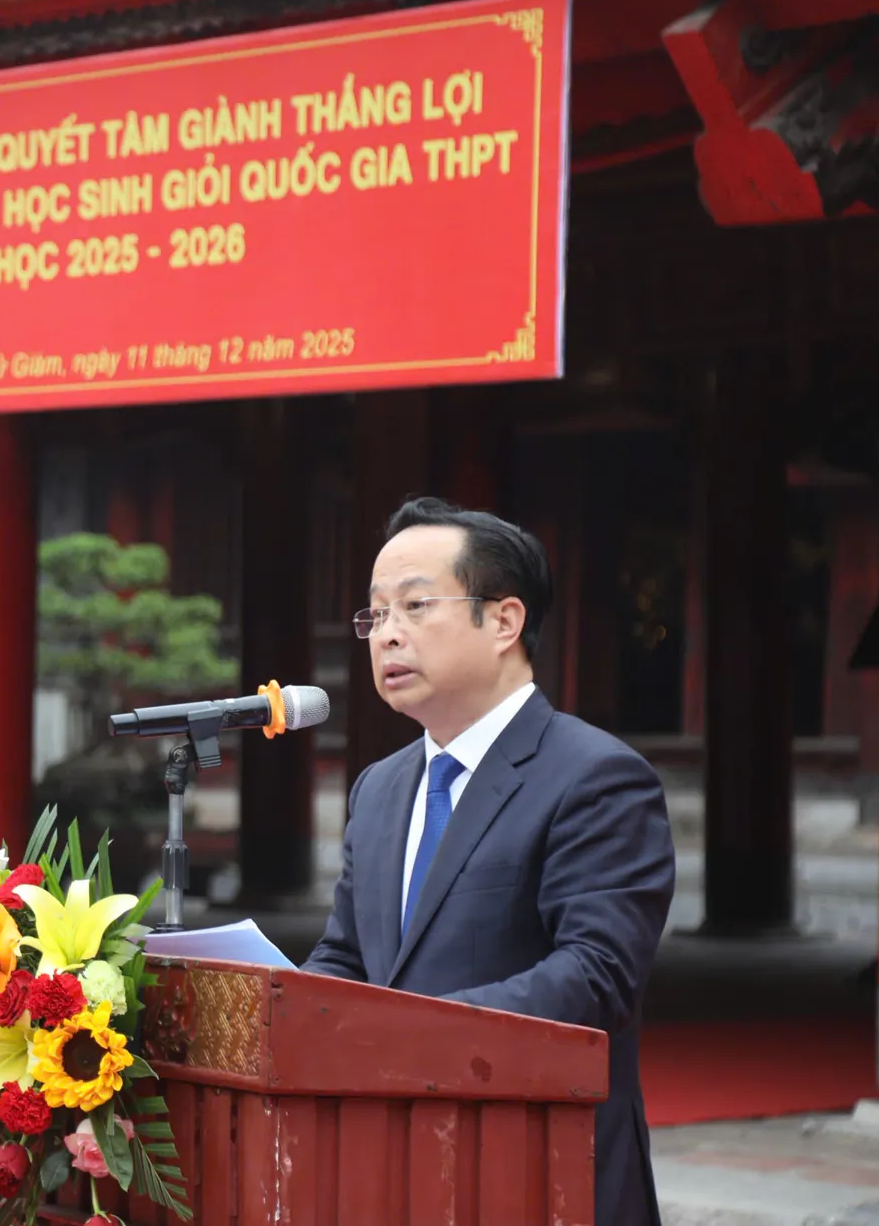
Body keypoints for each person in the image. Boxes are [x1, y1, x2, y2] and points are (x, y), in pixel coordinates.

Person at [303, 496, 674, 1226]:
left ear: (504, 621)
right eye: (376, 614)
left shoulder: (597, 776)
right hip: (392, 1166)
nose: (387, 634)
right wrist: (276, 1007)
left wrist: (408, 1033)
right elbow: (347, 957)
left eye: (415, 606)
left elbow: (595, 975)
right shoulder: (380, 788)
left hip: (538, 1166)